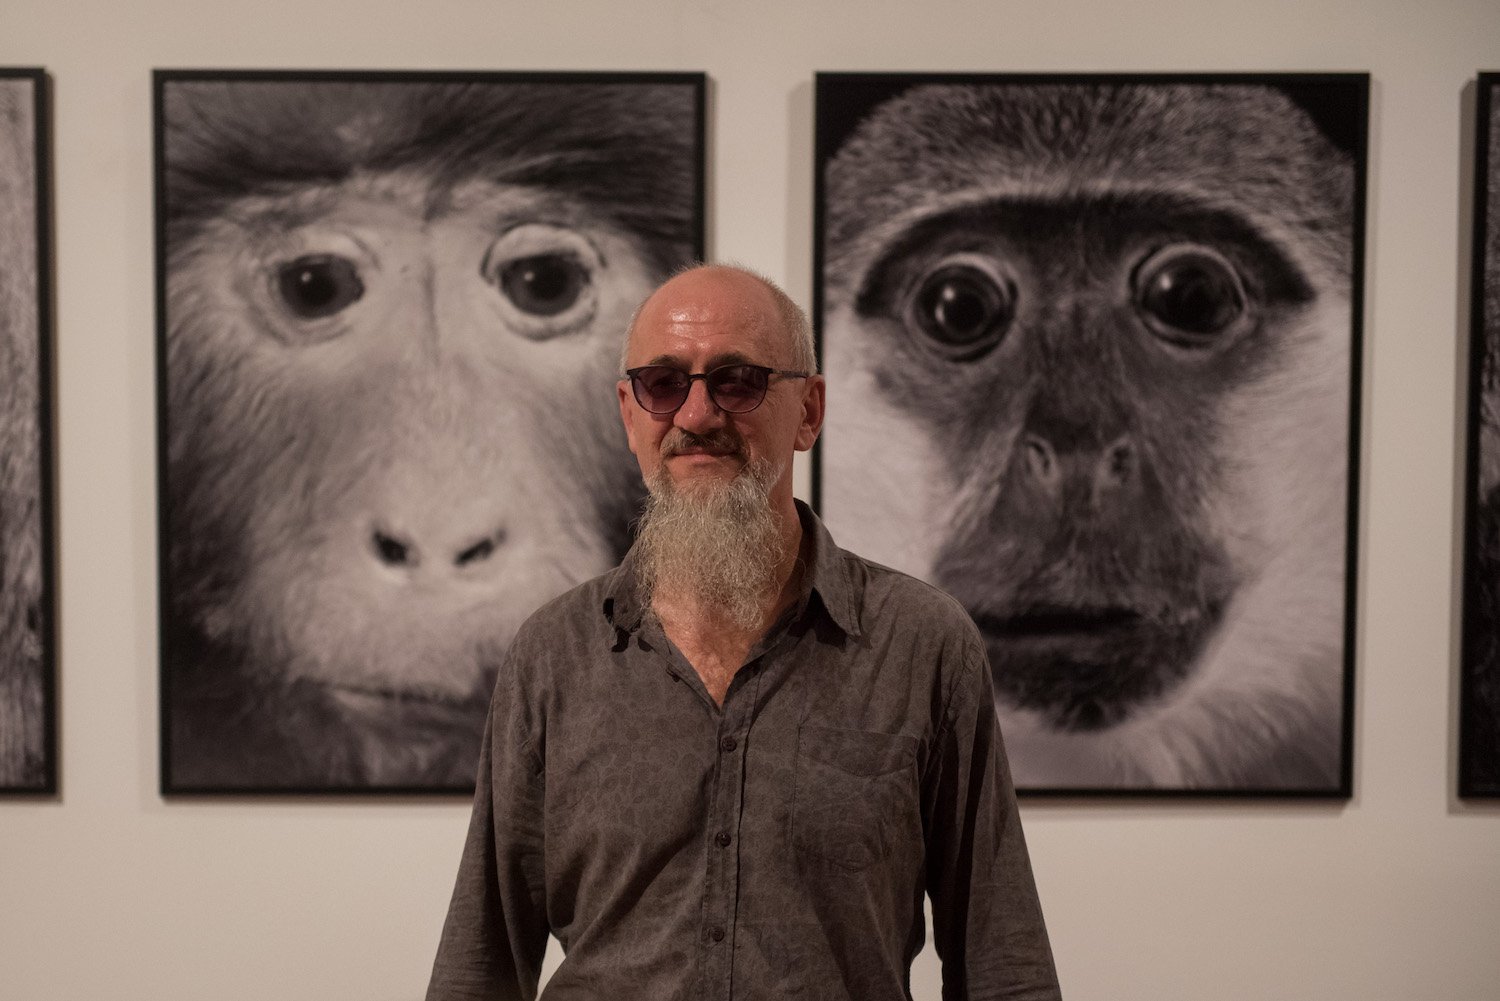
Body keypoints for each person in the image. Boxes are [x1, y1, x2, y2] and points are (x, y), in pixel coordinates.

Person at [426, 264, 1061, 1000]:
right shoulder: (554, 654)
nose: (696, 414)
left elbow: (1000, 961)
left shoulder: (922, 643)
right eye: (663, 384)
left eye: (737, 380)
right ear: (630, 414)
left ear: (809, 410)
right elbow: (483, 960)